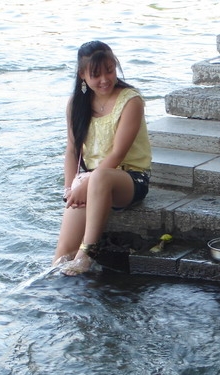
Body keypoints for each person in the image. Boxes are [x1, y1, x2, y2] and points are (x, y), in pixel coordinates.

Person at [53, 41, 152, 275]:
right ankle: (55, 296)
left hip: (128, 179)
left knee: (99, 178)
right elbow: (72, 151)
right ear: (82, 76)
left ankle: (87, 253)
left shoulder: (131, 101)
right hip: (90, 180)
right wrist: (70, 189)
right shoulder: (76, 104)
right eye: (96, 74)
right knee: (60, 257)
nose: (105, 79)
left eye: (110, 70)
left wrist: (86, 183)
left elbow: (118, 154)